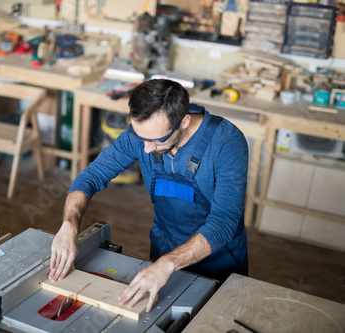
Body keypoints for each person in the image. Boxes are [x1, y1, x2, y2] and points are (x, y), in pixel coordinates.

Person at [48, 79, 248, 313]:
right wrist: (69, 224)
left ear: (183, 121)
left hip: (219, 260)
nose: (145, 149)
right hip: (163, 249)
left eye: (155, 140)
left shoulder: (227, 143)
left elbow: (223, 221)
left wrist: (167, 264)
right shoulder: (143, 135)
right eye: (140, 136)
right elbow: (90, 176)